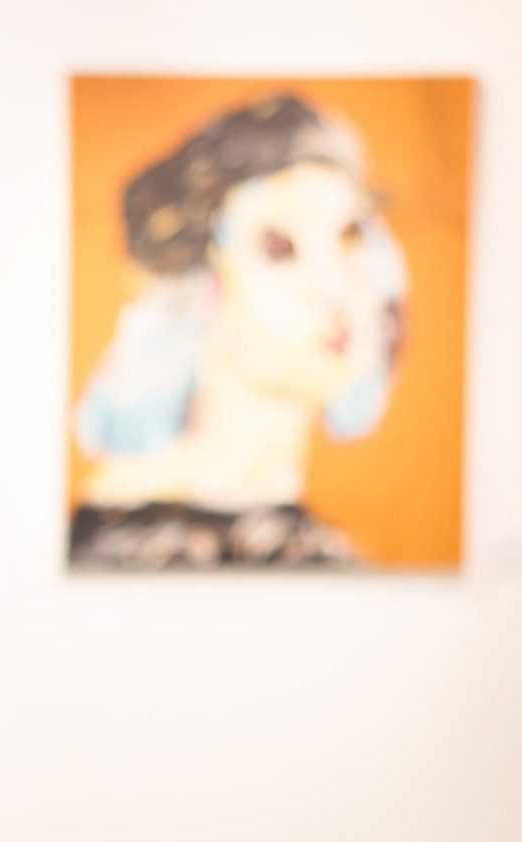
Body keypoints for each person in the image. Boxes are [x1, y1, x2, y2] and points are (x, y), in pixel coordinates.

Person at [70, 93, 407, 569]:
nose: (338, 292)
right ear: (205, 281)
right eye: (279, 248)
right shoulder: (120, 543)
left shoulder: (316, 550)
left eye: (351, 236)